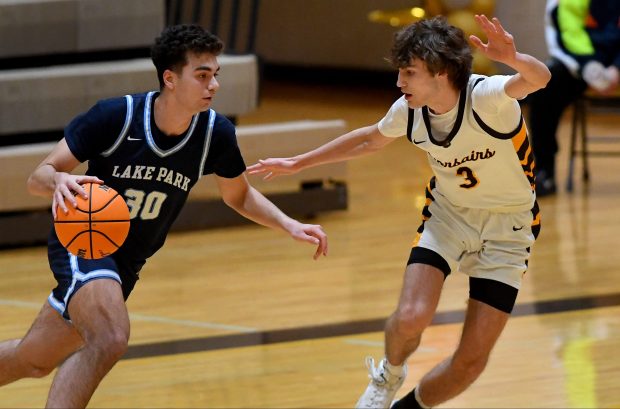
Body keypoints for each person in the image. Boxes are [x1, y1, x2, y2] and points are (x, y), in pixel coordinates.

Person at [0, 24, 327, 408]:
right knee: (110, 338)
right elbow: (38, 177)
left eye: (215, 75)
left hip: (127, 262)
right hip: (84, 241)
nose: (213, 86)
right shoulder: (115, 116)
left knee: (34, 359)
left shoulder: (214, 134)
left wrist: (289, 223)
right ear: (170, 78)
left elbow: (239, 196)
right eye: (202, 76)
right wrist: (57, 180)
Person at [248, 14, 550, 409]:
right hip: (449, 216)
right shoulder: (409, 110)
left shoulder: (487, 97)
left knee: (471, 361)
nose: (398, 82)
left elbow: (539, 79)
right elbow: (368, 141)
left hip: (509, 230)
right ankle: (388, 376)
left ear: (440, 72)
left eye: (409, 72)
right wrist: (299, 163)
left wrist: (516, 57)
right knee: (410, 316)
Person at [527, 0, 620, 196]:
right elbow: (568, 31)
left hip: (615, 62)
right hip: (581, 63)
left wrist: (617, 68)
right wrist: (589, 67)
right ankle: (545, 172)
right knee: (544, 90)